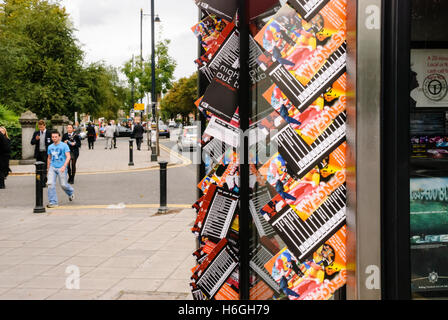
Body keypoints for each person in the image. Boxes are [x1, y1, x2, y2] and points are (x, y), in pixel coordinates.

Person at [46, 130, 74, 208]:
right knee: (50, 184)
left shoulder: (64, 146)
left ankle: (71, 192)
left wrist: (64, 166)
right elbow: (49, 158)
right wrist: (48, 169)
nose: (54, 138)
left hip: (62, 167)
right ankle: (53, 202)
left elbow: (68, 157)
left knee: (63, 185)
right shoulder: (50, 147)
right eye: (52, 137)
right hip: (52, 167)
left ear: (59, 137)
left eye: (56, 137)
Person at [31, 120, 52, 186]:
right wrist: (36, 139)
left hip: (46, 153)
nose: (41, 129)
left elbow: (52, 143)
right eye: (39, 127)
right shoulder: (36, 133)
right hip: (38, 153)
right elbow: (32, 142)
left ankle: (43, 182)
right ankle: (40, 181)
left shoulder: (49, 133)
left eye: (42, 127)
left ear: (44, 126)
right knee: (39, 168)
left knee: (45, 168)